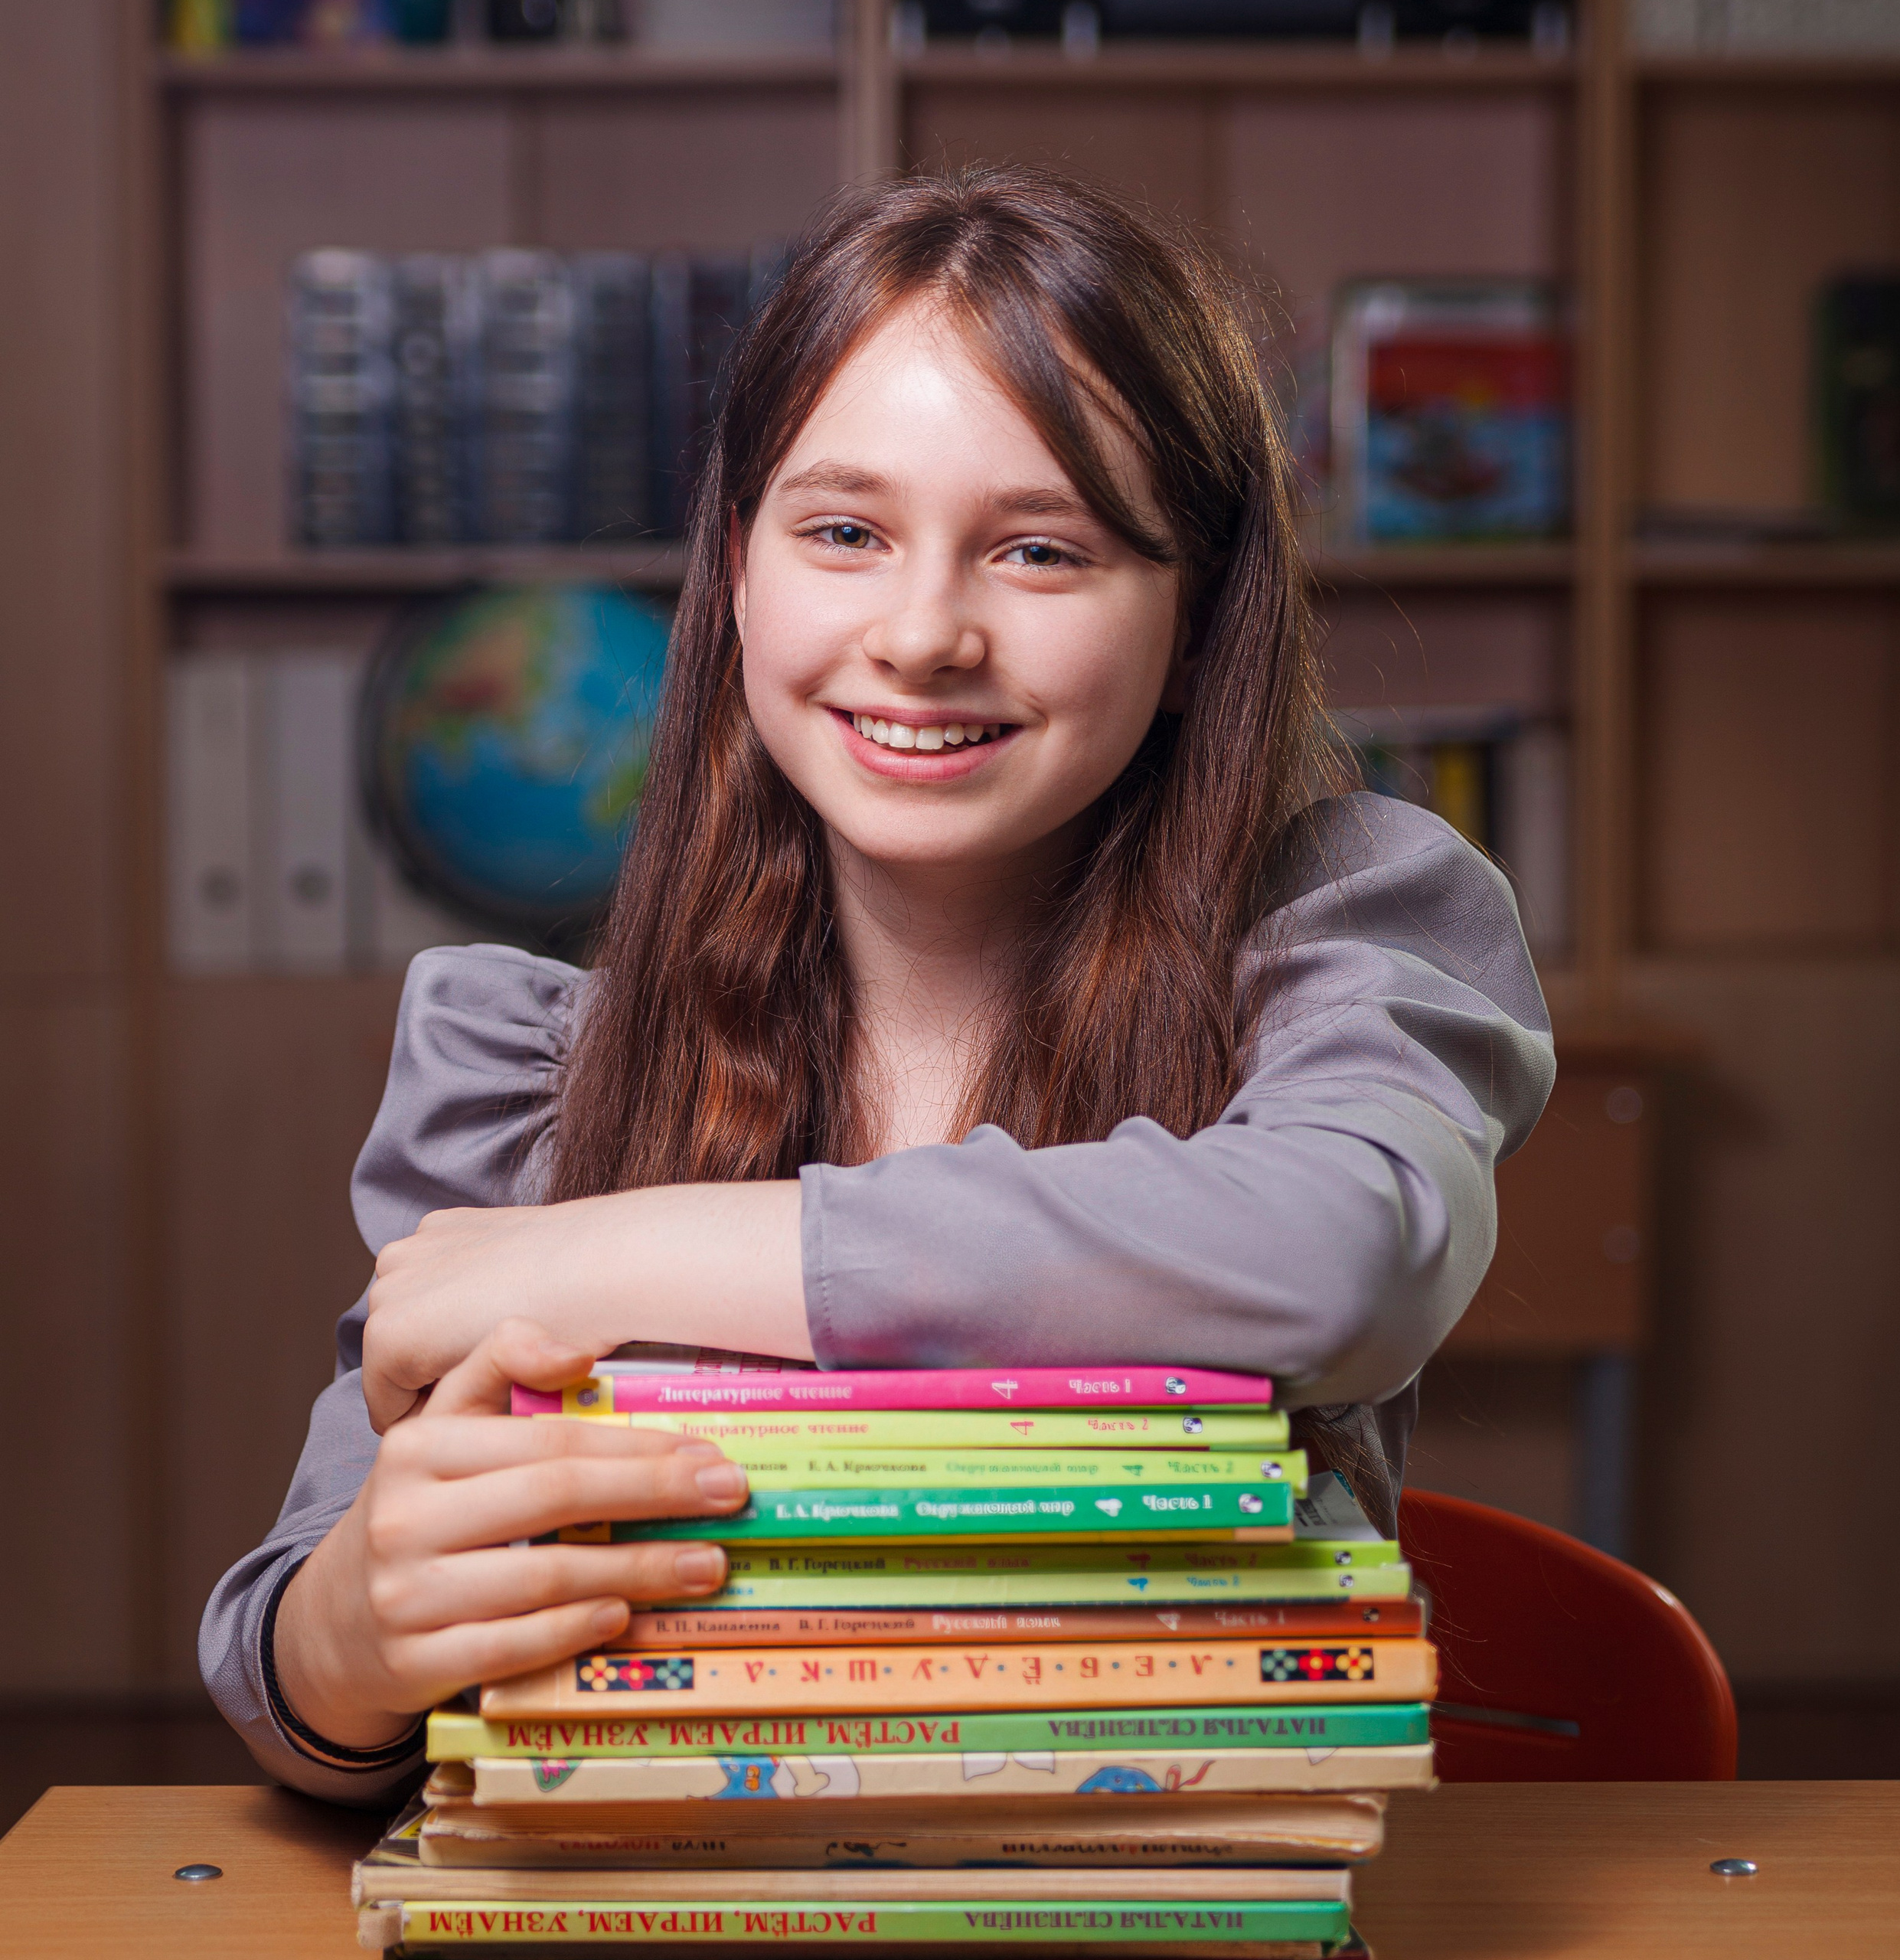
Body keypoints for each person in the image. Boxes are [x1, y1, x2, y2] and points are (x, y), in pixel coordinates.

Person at [202, 163, 1554, 1805]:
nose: (922, 633)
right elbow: (289, 1654)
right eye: (843, 531)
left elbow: (1345, 1250)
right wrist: (348, 1639)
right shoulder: (529, 1059)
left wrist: (609, 1250)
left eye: (1040, 551)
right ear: (742, 566)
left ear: (1196, 620)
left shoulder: (1350, 927)